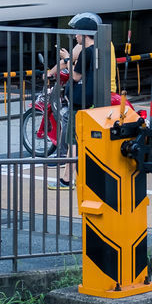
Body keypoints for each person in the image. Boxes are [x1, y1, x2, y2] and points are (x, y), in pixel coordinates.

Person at [48, 14, 100, 190]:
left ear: (84, 34)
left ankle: (67, 179)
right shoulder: (97, 50)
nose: (75, 37)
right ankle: (72, 178)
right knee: (78, 142)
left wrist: (68, 58)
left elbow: (76, 75)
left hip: (79, 104)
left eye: (77, 33)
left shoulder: (86, 52)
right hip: (89, 102)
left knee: (73, 142)